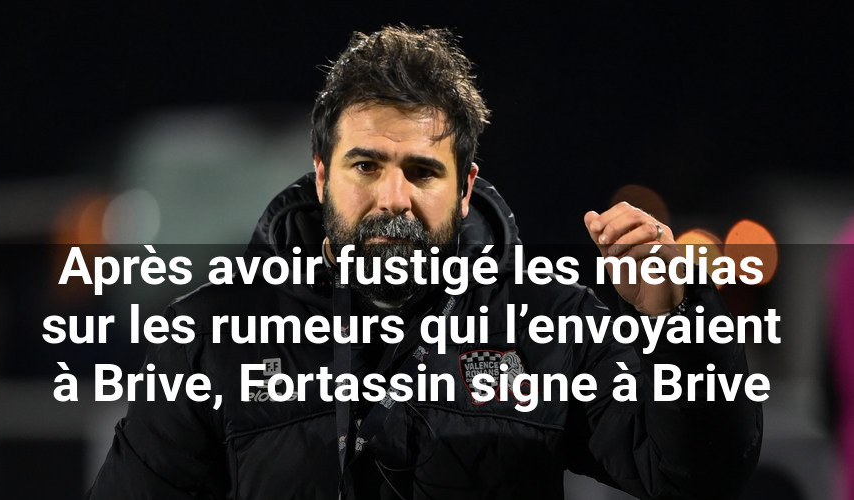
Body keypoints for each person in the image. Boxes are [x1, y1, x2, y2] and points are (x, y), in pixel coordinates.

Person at [87, 25, 762, 499]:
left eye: (421, 171)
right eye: (366, 166)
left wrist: (679, 321)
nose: (393, 198)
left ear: (464, 187)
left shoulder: (547, 322)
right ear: (321, 176)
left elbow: (696, 477)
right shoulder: (213, 335)